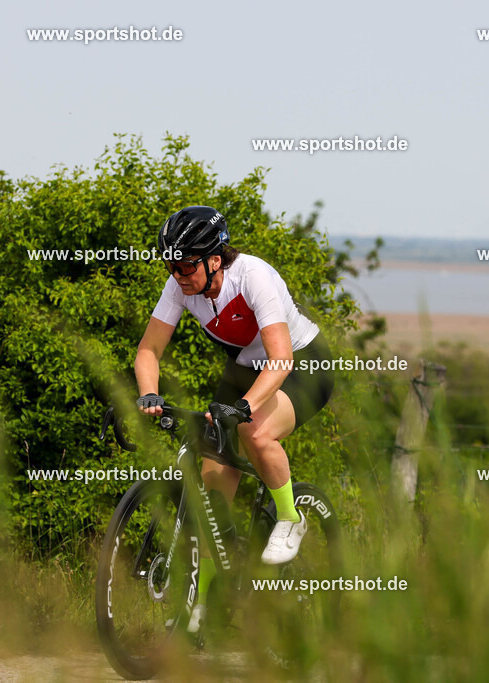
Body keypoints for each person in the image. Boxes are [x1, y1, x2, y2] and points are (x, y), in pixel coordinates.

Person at [134, 205, 335, 632]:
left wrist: (243, 408)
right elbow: (149, 350)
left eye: (186, 265)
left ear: (214, 259)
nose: (177, 274)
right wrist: (149, 393)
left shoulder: (253, 276)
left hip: (301, 364)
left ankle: (290, 517)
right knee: (212, 488)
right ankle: (202, 606)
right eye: (170, 265)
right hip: (246, 368)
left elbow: (280, 359)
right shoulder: (180, 285)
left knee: (254, 432)